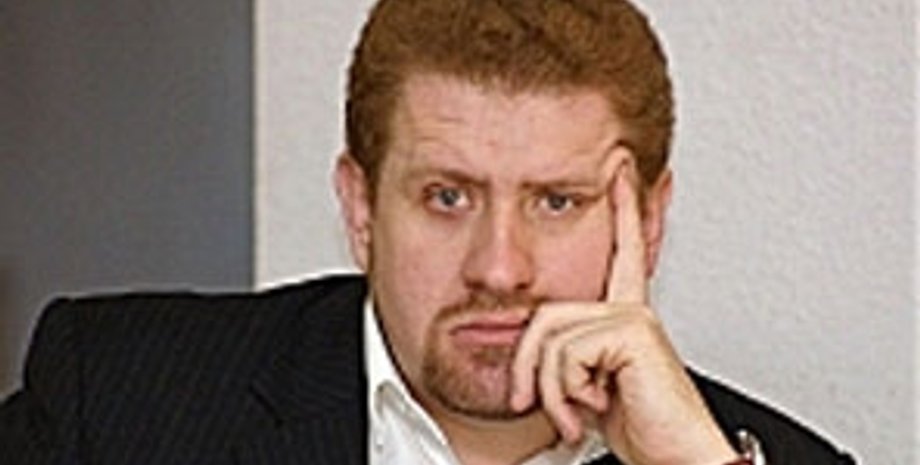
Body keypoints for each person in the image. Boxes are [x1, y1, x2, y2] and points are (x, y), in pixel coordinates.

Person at [0, 0, 855, 464]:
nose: (500, 268)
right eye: (448, 196)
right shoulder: (111, 399)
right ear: (360, 208)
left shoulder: (761, 460)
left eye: (557, 201)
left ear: (648, 220)